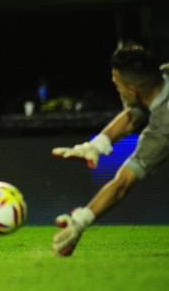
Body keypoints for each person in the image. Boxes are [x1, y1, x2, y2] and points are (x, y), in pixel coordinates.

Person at [51, 44, 169, 256]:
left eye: (118, 86)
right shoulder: (164, 75)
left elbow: (123, 183)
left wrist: (80, 222)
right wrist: (96, 145)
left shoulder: (164, 127)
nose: (118, 91)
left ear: (133, 89)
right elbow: (134, 115)